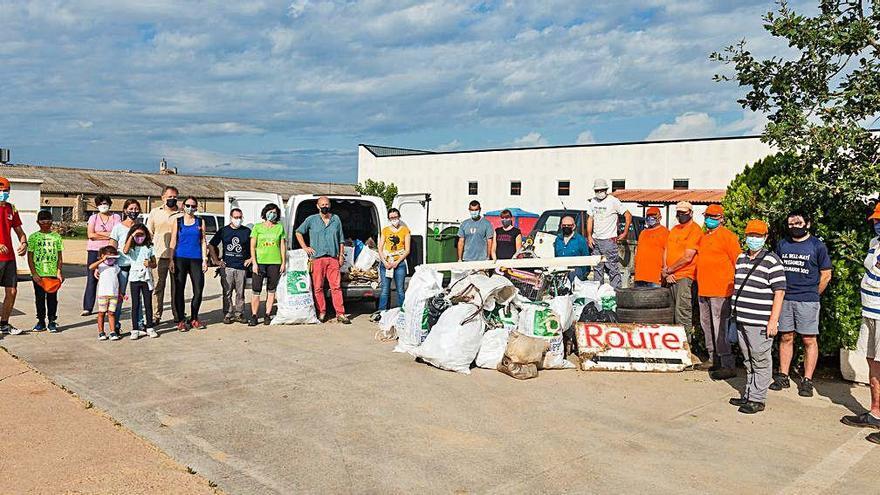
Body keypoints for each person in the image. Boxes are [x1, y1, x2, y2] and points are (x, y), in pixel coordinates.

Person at [772, 210, 832, 397]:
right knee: (786, 337)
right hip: (785, 298)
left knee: (809, 339)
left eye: (798, 223)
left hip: (808, 300)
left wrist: (813, 294)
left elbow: (826, 274)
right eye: (790, 224)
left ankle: (807, 380)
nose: (794, 227)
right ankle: (783, 375)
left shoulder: (817, 246)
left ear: (808, 223)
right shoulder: (782, 244)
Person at [728, 220, 786, 414]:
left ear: (765, 237)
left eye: (758, 236)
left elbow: (779, 292)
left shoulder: (772, 260)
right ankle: (749, 393)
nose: (754, 239)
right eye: (751, 235)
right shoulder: (741, 258)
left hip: (760, 321)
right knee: (748, 359)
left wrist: (773, 321)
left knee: (760, 359)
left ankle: (758, 399)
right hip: (742, 318)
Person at [841, 204, 880, 441]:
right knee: (871, 359)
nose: (877, 224)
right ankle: (876, 412)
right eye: (876, 220)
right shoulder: (874, 243)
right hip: (870, 310)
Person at [695, 204, 742, 379]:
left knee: (720, 327)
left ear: (721, 219)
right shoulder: (704, 237)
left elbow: (738, 262)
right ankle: (713, 358)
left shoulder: (728, 237)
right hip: (704, 290)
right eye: (708, 216)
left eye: (714, 217)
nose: (710, 220)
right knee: (706, 325)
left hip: (721, 291)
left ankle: (727, 364)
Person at [296, 198, 350, 324]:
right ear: (317, 206)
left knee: (336, 287)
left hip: (333, 258)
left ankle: (340, 314)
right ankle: (322, 312)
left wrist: (341, 255)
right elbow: (298, 232)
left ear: (330, 205)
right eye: (322, 205)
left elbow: (341, 239)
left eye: (326, 204)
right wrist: (305, 247)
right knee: (318, 287)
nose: (325, 206)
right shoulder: (311, 220)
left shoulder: (336, 219)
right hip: (317, 259)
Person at [663, 201, 702, 339]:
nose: (680, 215)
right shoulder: (674, 229)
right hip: (670, 276)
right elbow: (666, 250)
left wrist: (669, 271)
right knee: (669, 312)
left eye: (684, 213)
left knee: (682, 312)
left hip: (685, 277)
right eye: (678, 213)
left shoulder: (695, 230)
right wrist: (665, 270)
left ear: (691, 213)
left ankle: (686, 345)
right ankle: (673, 343)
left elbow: (688, 257)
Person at [169, 196, 208, 331]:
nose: (190, 208)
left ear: (196, 207)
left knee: (198, 290)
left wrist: (205, 260)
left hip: (196, 259)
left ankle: (194, 318)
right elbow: (173, 241)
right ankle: (180, 320)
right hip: (180, 258)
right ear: (183, 206)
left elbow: (203, 241)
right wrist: (171, 260)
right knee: (179, 290)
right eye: (188, 205)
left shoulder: (200, 222)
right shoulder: (178, 221)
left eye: (193, 206)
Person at [146, 186, 182, 325]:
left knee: (177, 288)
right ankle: (156, 315)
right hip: (159, 255)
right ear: (163, 198)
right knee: (158, 287)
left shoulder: (181, 214)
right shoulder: (155, 212)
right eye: (169, 197)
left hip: (177, 256)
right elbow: (149, 234)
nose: (172, 199)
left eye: (175, 197)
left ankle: (177, 314)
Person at [209, 208, 252, 324]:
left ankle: (239, 313)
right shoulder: (224, 231)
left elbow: (254, 246)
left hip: (241, 267)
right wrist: (216, 260)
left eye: (240, 217)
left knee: (240, 293)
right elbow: (211, 245)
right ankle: (227, 314)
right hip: (227, 267)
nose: (238, 220)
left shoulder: (246, 231)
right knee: (227, 292)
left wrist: (251, 258)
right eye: (236, 217)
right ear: (231, 217)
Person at [587, 178, 631, 288]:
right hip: (596, 240)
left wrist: (625, 232)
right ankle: (598, 293)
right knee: (597, 268)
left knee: (612, 268)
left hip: (609, 240)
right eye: (597, 191)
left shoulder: (613, 201)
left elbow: (628, 215)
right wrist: (589, 236)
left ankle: (616, 294)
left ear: (606, 190)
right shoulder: (593, 202)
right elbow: (590, 219)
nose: (599, 193)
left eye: (601, 190)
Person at [82, 194, 120, 316]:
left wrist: (100, 234)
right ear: (97, 206)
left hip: (110, 251)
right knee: (92, 278)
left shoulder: (116, 217)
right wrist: (108, 234)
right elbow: (90, 235)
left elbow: (116, 234)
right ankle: (88, 307)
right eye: (100, 204)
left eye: (105, 203)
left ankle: (110, 305)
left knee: (111, 278)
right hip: (94, 250)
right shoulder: (93, 218)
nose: (103, 206)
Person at [109, 199, 143, 334]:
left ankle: (139, 323)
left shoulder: (140, 226)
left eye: (136, 209)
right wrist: (109, 265)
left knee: (137, 296)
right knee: (120, 296)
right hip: (122, 265)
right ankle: (115, 324)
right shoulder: (118, 227)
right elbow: (112, 246)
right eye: (131, 209)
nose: (133, 211)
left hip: (137, 266)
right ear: (125, 210)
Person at [27, 210, 64, 333]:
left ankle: (52, 321)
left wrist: (59, 272)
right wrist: (34, 273)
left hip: (52, 274)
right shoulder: (33, 237)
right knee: (39, 298)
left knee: (52, 298)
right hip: (39, 275)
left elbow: (59, 256)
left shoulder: (56, 237)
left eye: (48, 220)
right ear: (38, 222)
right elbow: (30, 257)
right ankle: (41, 321)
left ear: (51, 222)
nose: (45, 223)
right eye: (42, 220)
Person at [0, 177, 27, 336]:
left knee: (12, 292)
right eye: (0, 191)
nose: (3, 193)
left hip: (9, 259)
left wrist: (24, 243)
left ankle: (4, 324)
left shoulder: (11, 209)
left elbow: (20, 232)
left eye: (5, 191)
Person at [123, 224, 158, 338]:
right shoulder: (132, 248)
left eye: (141, 235)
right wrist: (132, 236)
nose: (139, 237)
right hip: (134, 278)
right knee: (135, 304)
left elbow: (154, 263)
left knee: (148, 303)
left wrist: (150, 264)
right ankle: (135, 329)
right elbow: (125, 250)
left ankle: (150, 327)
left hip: (146, 278)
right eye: (137, 235)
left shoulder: (149, 247)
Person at [377, 208, 410, 311]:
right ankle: (382, 311)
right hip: (386, 263)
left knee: (400, 290)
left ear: (399, 217)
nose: (394, 219)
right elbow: (380, 248)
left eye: (395, 217)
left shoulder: (405, 230)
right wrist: (384, 262)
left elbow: (407, 250)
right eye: (391, 218)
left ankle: (402, 311)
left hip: (399, 264)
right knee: (385, 290)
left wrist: (397, 262)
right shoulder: (385, 230)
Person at [90, 245, 122, 341]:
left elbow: (117, 281)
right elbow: (91, 267)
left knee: (111, 313)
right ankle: (101, 332)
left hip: (114, 294)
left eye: (113, 258)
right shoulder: (100, 266)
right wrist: (102, 260)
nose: (111, 260)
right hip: (103, 294)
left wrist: (120, 293)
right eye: (109, 257)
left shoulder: (116, 267)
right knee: (101, 313)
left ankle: (112, 332)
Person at [633, 206, 668, 288]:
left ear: (659, 217)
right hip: (639, 277)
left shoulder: (665, 233)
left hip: (655, 278)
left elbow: (668, 254)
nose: (650, 218)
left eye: (653, 216)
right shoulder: (643, 233)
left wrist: (665, 272)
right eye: (648, 216)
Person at [554, 215, 590, 280]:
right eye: (564, 225)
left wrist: (583, 275)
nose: (566, 227)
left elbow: (586, 258)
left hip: (575, 273)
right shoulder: (558, 239)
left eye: (569, 225)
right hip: (561, 272)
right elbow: (556, 256)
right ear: (561, 226)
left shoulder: (580, 240)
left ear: (573, 226)